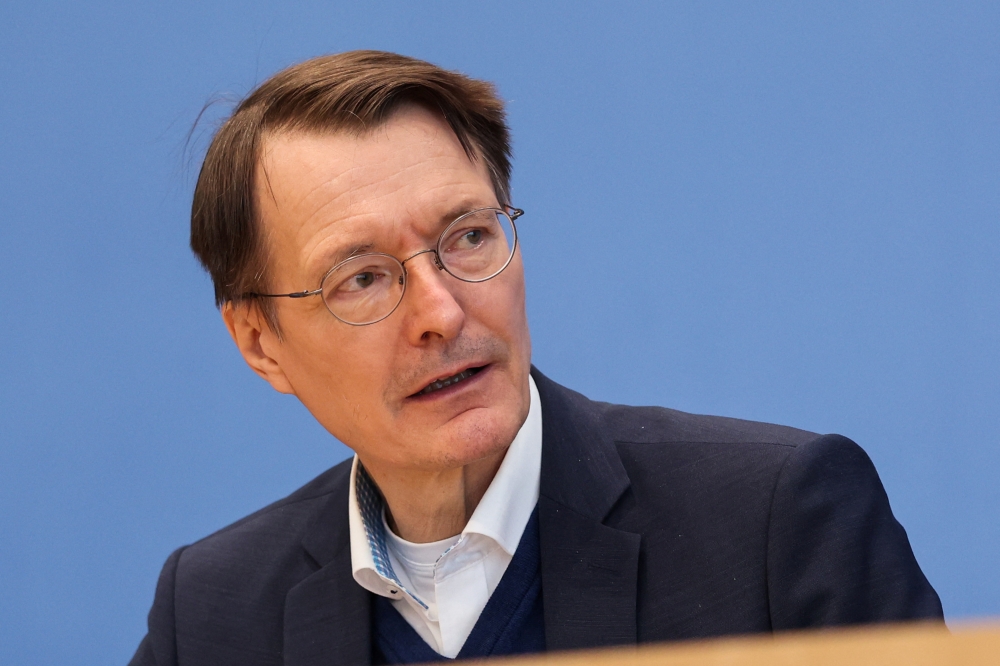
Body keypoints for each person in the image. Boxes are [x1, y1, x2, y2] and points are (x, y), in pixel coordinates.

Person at [129, 50, 942, 666]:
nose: (441, 313)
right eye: (363, 278)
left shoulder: (775, 524)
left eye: (469, 237)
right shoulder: (210, 615)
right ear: (259, 343)